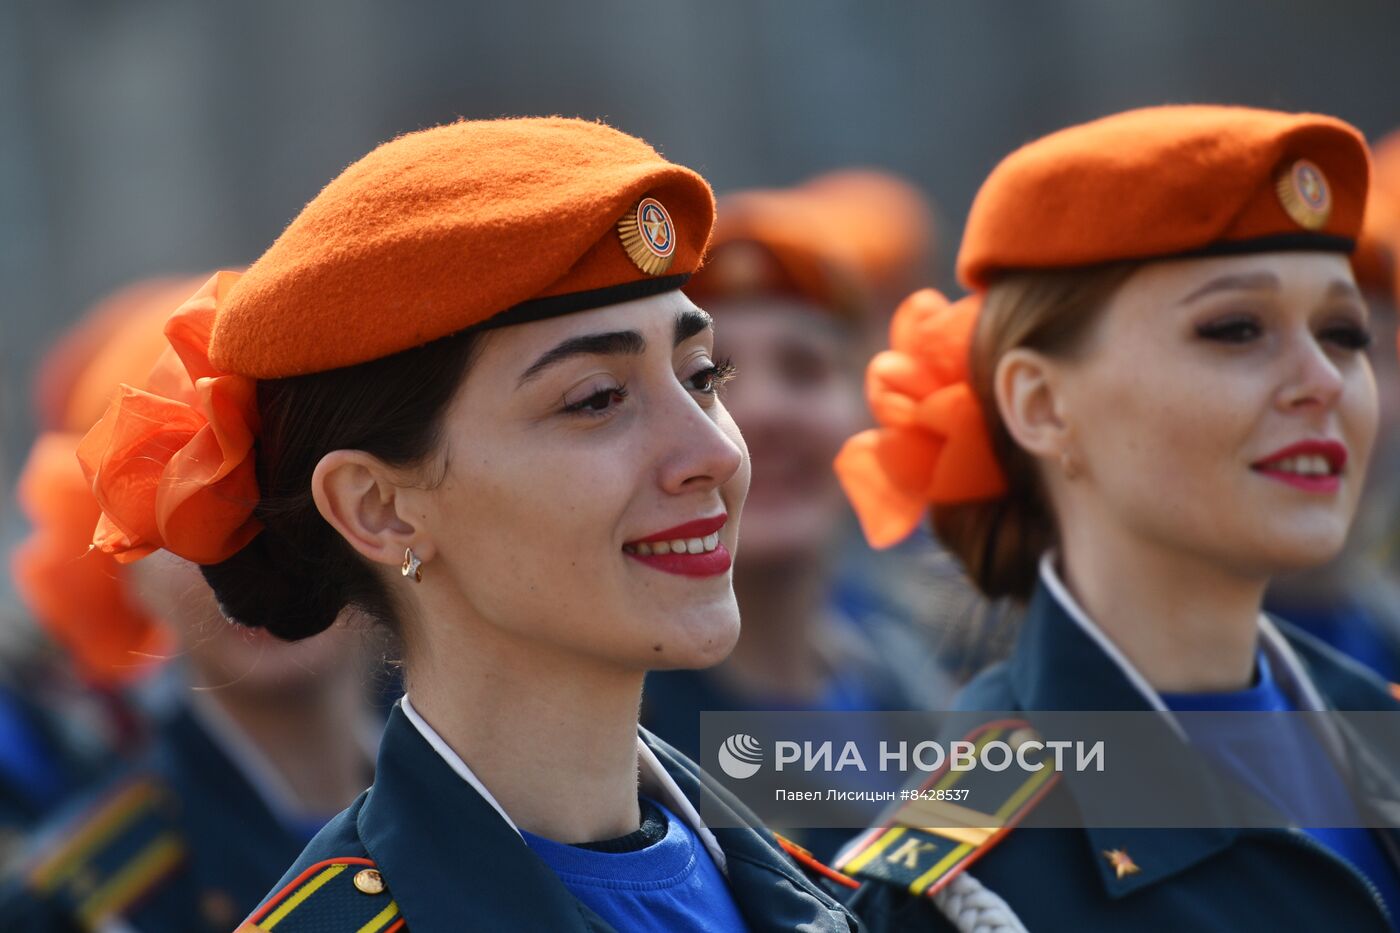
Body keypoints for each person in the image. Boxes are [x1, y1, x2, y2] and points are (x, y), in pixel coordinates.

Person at [75, 118, 865, 932]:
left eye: (703, 376)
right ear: (377, 506)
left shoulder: (802, 883)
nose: (717, 452)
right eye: (596, 398)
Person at [834, 105, 1400, 931]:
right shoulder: (968, 881)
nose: (1323, 379)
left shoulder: (1374, 721)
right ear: (1042, 404)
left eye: (1343, 332)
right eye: (1236, 327)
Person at [4, 279, 379, 931]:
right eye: (182, 515)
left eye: (286, 492)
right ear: (118, 566)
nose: (254, 555)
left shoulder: (530, 798)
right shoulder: (76, 907)